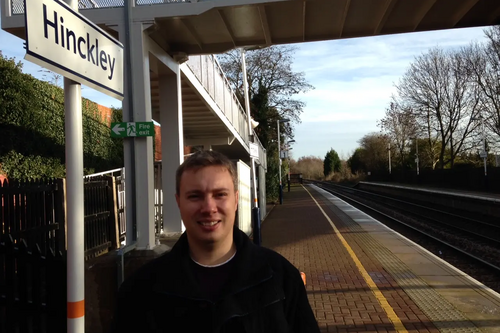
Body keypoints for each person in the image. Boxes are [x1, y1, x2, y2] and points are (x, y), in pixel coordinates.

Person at [112, 150, 320, 333]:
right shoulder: (139, 291)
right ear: (178, 202)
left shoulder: (282, 278)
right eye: (195, 196)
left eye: (220, 194)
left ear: (236, 199)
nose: (209, 207)